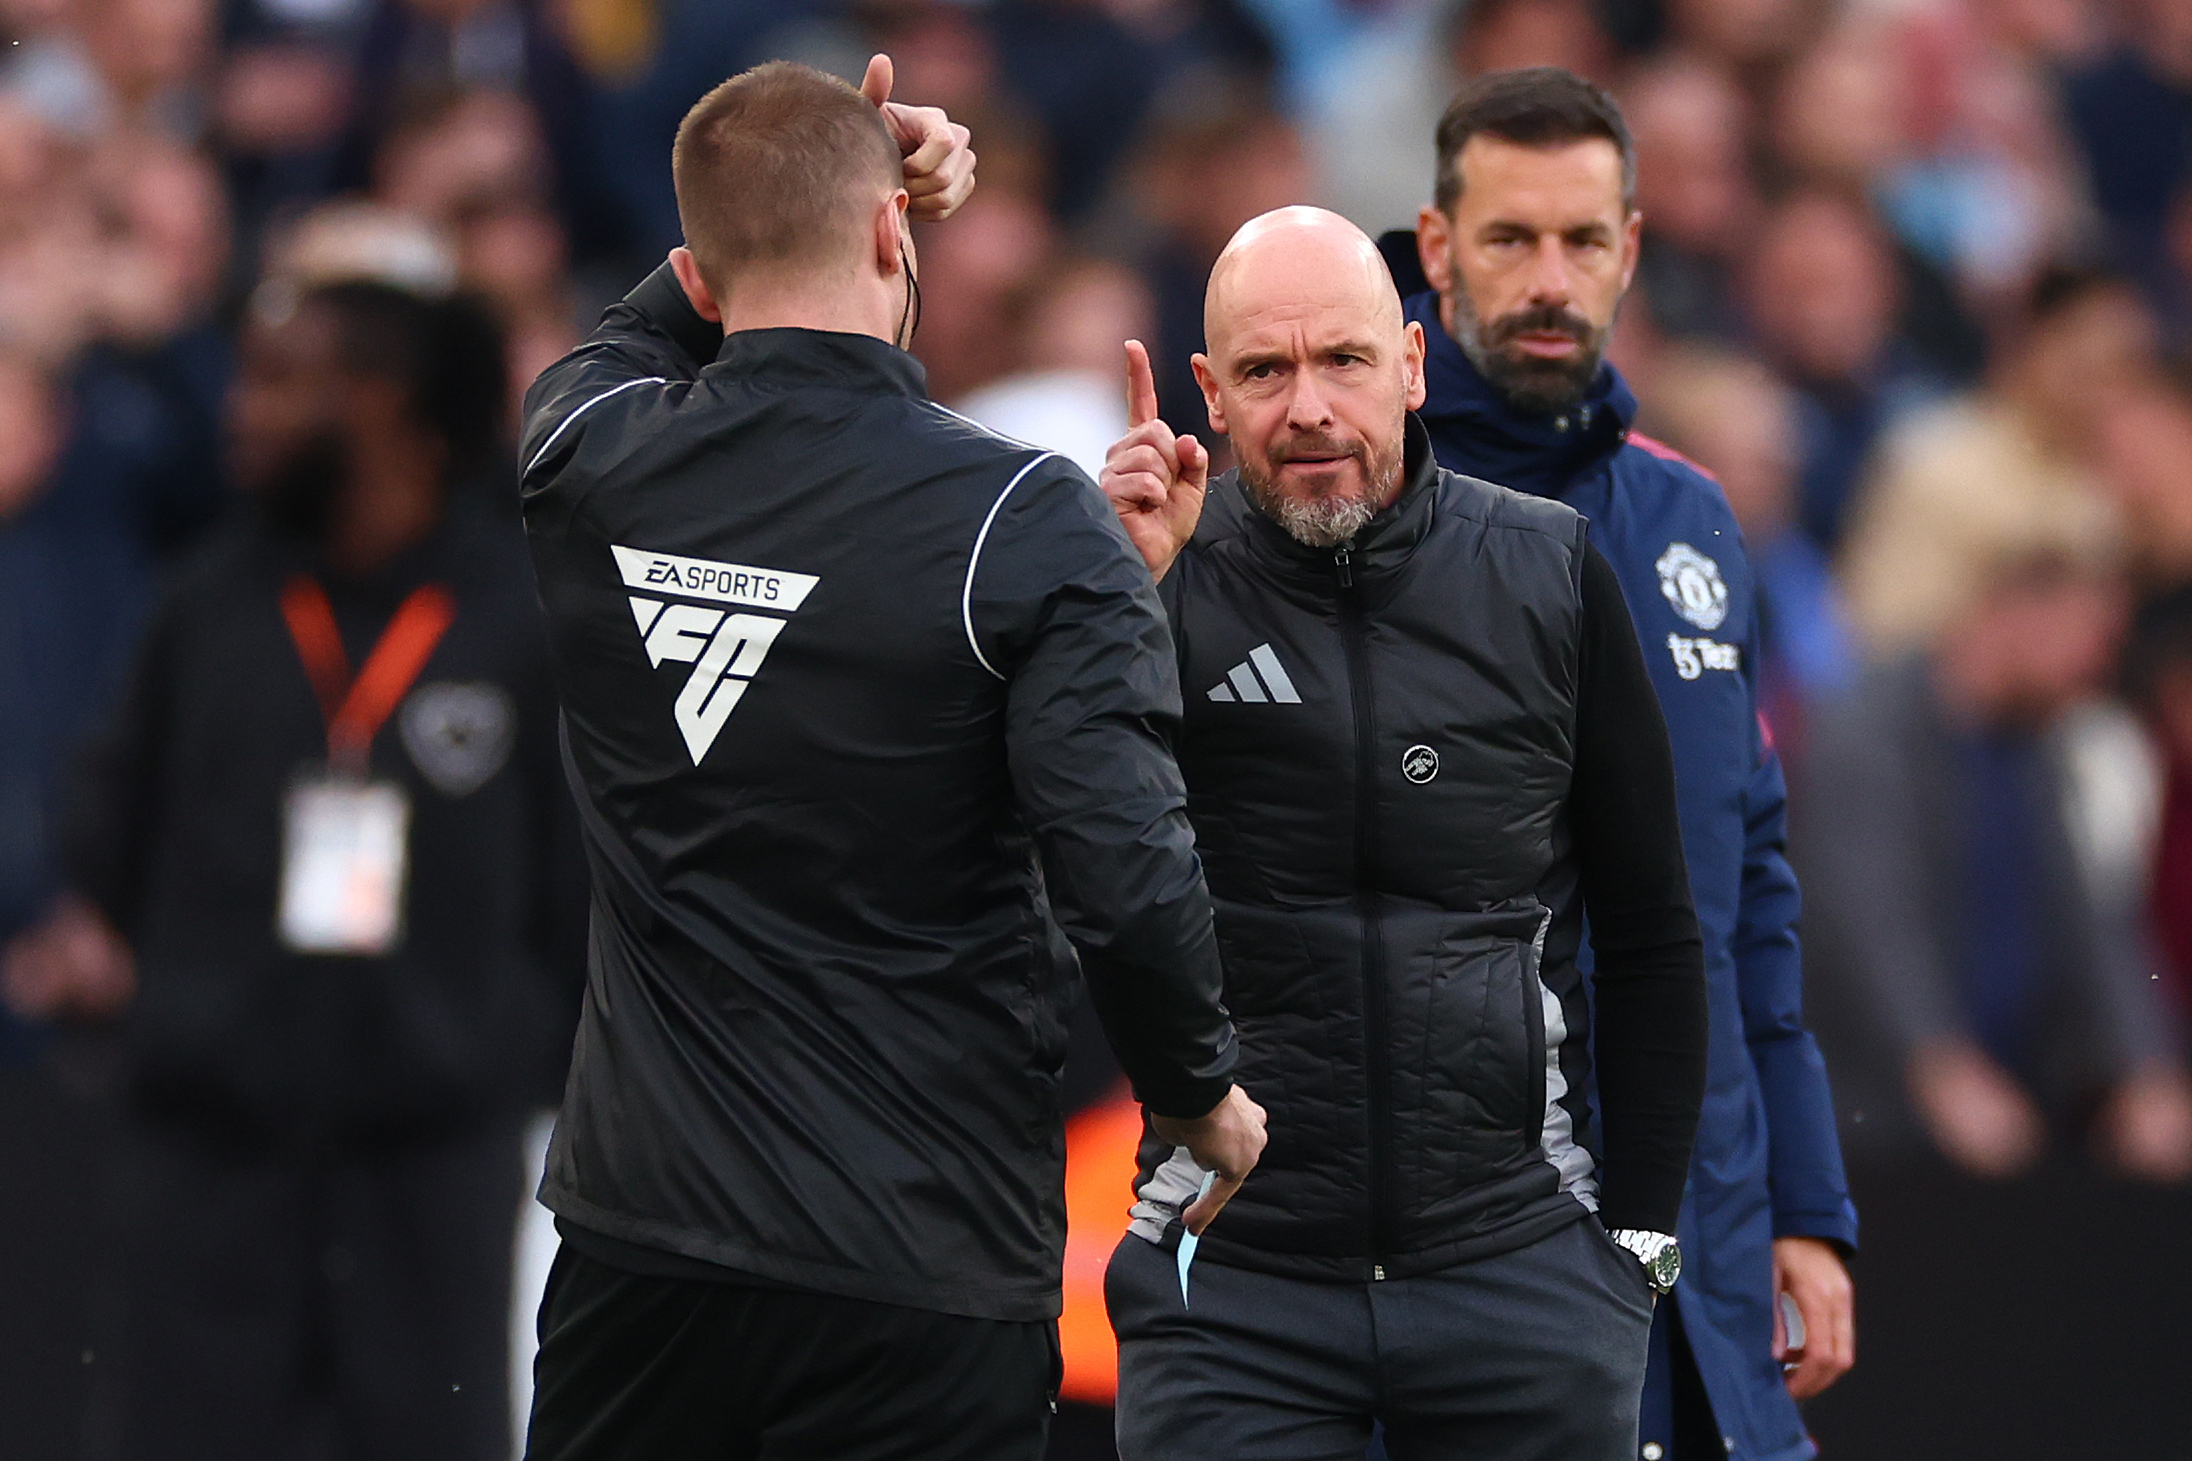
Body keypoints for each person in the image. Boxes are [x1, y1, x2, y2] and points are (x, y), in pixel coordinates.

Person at [517, 58, 1264, 1461]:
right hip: (916, 1258)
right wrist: (1196, 1089)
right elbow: (1122, 869)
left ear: (701, 267)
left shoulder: (584, 456)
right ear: (890, 238)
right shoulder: (1031, 520)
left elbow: (627, 332)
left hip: (640, 1255)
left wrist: (817, 175)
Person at [1098, 204, 1707, 1461]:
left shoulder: (1546, 571)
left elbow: (1651, 927)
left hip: (1521, 1271)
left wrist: (1634, 1247)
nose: (1307, 407)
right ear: (1208, 392)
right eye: (1265, 371)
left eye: (1345, 361)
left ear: (1414, 367)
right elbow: (1053, 877)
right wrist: (1114, 612)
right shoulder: (1137, 578)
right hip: (1231, 1281)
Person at [3, 272, 587, 1461]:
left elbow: (576, 888)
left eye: (281, 380)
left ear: (389, 405)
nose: (242, 410)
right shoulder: (206, 601)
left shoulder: (519, 615)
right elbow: (105, 829)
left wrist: (501, 1048)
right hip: (212, 1154)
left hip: (433, 1160)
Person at [1392, 68, 1858, 1461]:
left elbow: (1748, 890)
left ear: (1632, 251)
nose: (1550, 279)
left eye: (1582, 241)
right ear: (1435, 248)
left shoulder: (1692, 521)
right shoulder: (1357, 513)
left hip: (1706, 1245)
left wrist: (1807, 1209)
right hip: (1466, 1258)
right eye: (1509, 238)